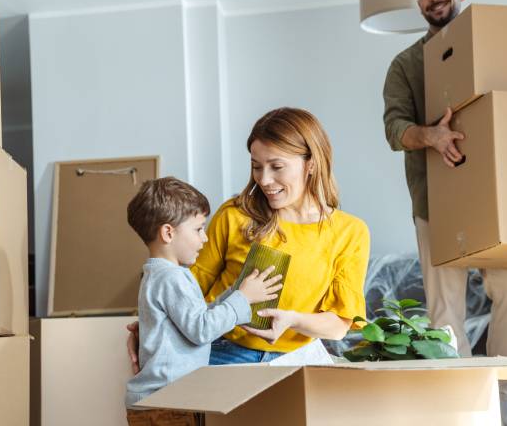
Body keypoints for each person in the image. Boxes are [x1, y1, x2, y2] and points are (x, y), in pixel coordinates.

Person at [382, 0, 507, 424]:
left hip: (497, 197)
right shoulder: (405, 64)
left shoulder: (494, 42)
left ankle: (503, 394)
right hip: (436, 202)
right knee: (444, 310)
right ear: (418, 2)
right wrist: (432, 136)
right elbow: (394, 129)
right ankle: (467, 407)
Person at [128, 107, 370, 368]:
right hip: (221, 351)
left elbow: (338, 325)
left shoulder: (350, 232)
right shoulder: (235, 215)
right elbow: (186, 291)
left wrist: (292, 319)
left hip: (293, 361)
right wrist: (151, 326)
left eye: (277, 166)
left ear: (310, 164)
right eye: (257, 166)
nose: (264, 180)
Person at [123, 177, 283, 425]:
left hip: (167, 400)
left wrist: (236, 292)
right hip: (167, 402)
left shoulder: (162, 274)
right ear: (168, 233)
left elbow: (196, 316)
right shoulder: (171, 278)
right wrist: (243, 298)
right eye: (198, 229)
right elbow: (201, 329)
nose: (205, 238)